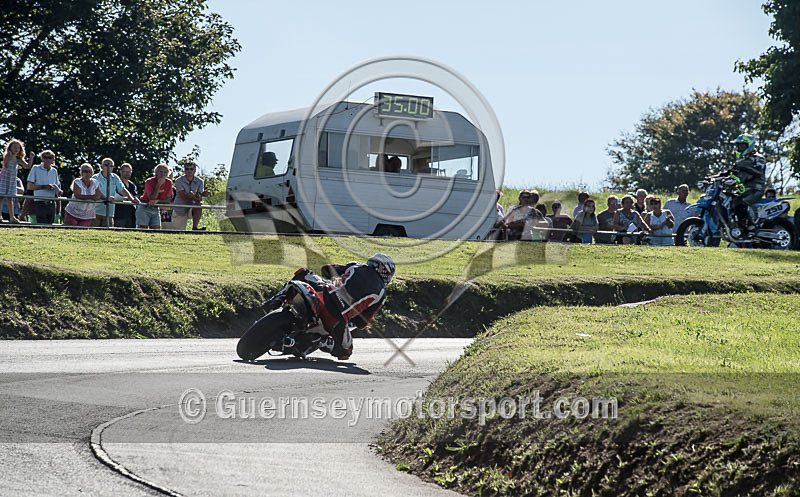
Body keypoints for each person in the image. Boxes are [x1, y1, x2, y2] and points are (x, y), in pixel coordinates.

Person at [265, 254, 395, 360]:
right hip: (336, 317)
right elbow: (361, 322)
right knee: (346, 351)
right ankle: (321, 341)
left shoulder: (356, 266)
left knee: (304, 273)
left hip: (323, 295)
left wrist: (335, 280)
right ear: (387, 274)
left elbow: (326, 269)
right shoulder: (381, 294)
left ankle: (276, 300)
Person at [727, 134, 766, 236]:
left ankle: (751, 227)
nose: (740, 148)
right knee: (729, 200)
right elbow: (730, 172)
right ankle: (738, 225)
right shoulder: (741, 161)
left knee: (740, 202)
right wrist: (713, 178)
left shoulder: (758, 158)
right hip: (744, 190)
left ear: (749, 145)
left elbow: (758, 171)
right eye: (739, 146)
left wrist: (744, 169)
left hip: (756, 188)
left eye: (742, 146)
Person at [93, 158, 137, 226]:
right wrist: (106, 198)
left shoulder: (115, 177)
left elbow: (122, 190)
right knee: (93, 234)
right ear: (101, 167)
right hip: (95, 212)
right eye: (106, 165)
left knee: (108, 235)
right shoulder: (95, 178)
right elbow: (96, 192)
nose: (109, 167)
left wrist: (132, 199)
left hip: (110, 213)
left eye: (111, 166)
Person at [1, 139, 34, 224]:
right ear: (10, 148)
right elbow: (6, 165)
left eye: (18, 147)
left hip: (12, 180)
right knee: (1, 197)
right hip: (4, 179)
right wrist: (9, 156)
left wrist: (31, 158)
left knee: (10, 198)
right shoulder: (7, 156)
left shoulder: (19, 159)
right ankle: (0, 216)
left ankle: (12, 217)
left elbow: (27, 166)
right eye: (14, 147)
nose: (16, 149)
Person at [26, 149, 62, 224]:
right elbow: (29, 187)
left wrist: (59, 191)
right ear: (41, 158)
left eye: (50, 157)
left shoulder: (54, 171)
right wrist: (43, 187)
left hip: (52, 203)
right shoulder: (35, 168)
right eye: (45, 157)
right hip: (39, 202)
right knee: (42, 225)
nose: (47, 159)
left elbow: (57, 186)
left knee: (50, 226)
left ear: (53, 159)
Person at [173, 160, 210, 230]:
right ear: (184, 170)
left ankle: (195, 227)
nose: (189, 171)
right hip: (180, 209)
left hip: (192, 207)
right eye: (187, 169)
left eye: (191, 169)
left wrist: (201, 195)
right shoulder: (178, 181)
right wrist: (198, 196)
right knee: (179, 233)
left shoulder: (200, 181)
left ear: (195, 170)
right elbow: (184, 198)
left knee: (199, 205)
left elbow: (199, 199)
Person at [136, 163, 174, 229]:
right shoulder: (149, 181)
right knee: (143, 228)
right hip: (145, 206)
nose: (162, 174)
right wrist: (158, 184)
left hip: (156, 207)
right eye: (160, 172)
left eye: (165, 172)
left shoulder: (169, 182)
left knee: (156, 229)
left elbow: (168, 199)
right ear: (156, 172)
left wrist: (158, 201)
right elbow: (152, 197)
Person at [114, 163, 139, 228]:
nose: (127, 173)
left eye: (128, 171)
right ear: (120, 172)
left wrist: (136, 199)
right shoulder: (116, 183)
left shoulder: (132, 185)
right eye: (125, 171)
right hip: (118, 214)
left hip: (131, 214)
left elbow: (135, 196)